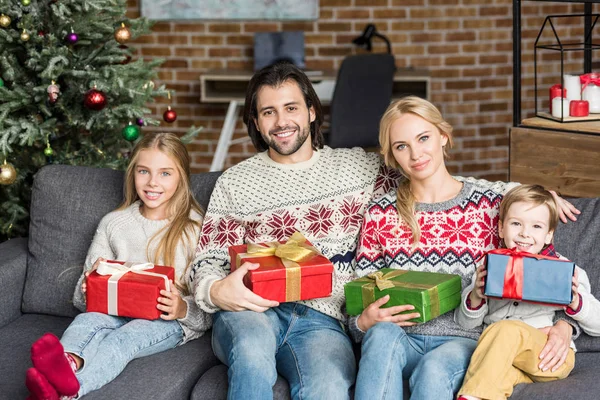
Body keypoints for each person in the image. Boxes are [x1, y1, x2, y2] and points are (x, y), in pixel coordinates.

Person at [350, 96, 581, 400]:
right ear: (392, 155)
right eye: (401, 146)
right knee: (379, 336)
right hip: (398, 338)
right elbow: (355, 299)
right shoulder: (381, 213)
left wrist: (565, 325)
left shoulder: (492, 206)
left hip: (464, 340)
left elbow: (553, 274)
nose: (416, 153)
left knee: (434, 370)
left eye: (424, 138)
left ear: (443, 137)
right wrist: (361, 323)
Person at [25, 133, 210, 399]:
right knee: (85, 322)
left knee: (122, 340)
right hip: (116, 310)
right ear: (132, 173)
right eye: (143, 171)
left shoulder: (195, 228)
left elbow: (210, 308)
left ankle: (67, 393)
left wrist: (182, 308)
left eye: (165, 173)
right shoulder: (114, 223)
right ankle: (64, 367)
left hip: (169, 323)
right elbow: (83, 300)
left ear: (182, 177)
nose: (152, 182)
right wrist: (90, 285)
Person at [456, 184, 600, 400]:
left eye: (536, 226)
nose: (524, 233)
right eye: (516, 224)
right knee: (496, 377)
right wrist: (476, 296)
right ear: (501, 228)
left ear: (549, 235)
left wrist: (575, 302)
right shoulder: (488, 265)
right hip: (502, 358)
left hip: (548, 356)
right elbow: (464, 323)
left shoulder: (563, 269)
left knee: (506, 329)